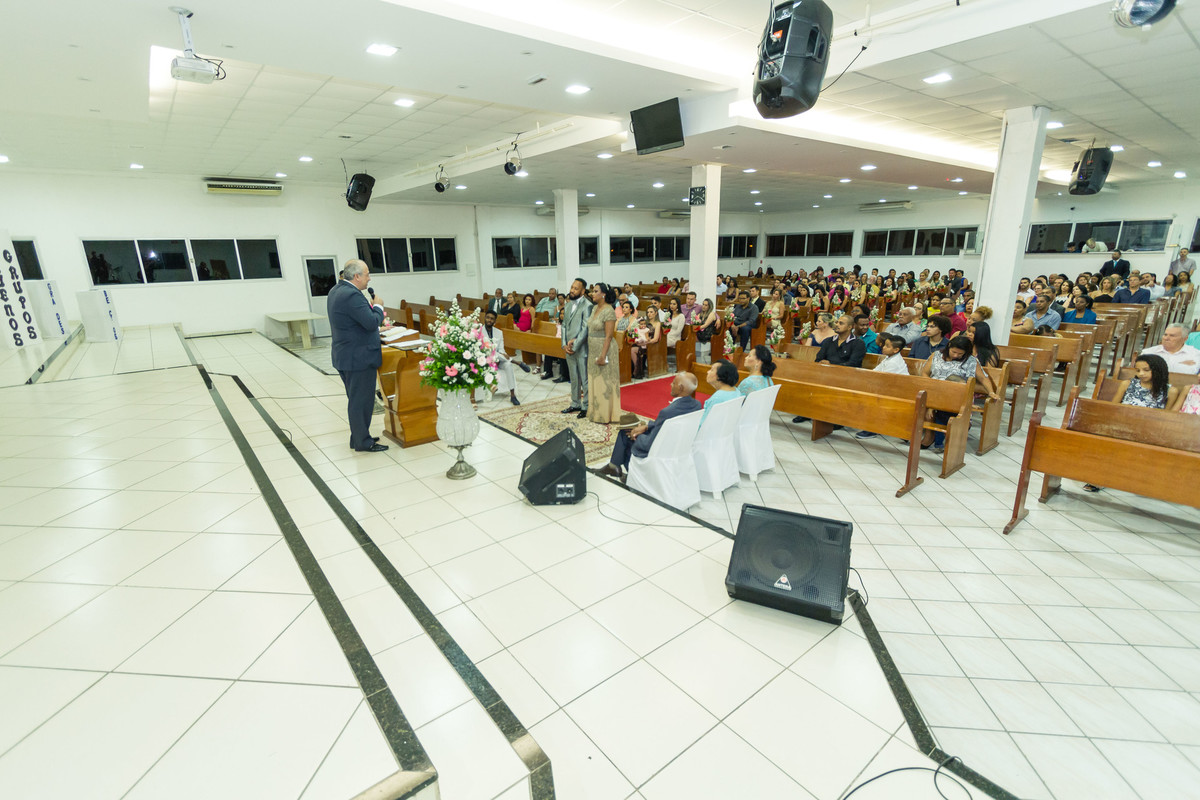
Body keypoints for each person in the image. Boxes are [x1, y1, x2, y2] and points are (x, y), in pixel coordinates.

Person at [594, 372, 702, 482]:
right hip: (677, 446)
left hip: (659, 450)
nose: (670, 384)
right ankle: (614, 466)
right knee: (633, 430)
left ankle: (627, 474)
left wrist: (634, 435)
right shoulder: (697, 405)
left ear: (680, 388)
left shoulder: (667, 412)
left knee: (625, 433)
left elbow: (648, 444)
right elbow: (666, 424)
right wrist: (646, 427)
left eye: (673, 383)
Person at [327, 259, 387, 453]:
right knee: (361, 401)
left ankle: (359, 437)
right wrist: (377, 306)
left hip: (346, 355)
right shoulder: (351, 295)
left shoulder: (336, 290)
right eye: (367, 274)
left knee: (356, 400)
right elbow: (371, 323)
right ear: (357, 276)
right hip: (358, 357)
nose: (369, 278)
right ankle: (362, 441)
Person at [919, 335, 999, 452]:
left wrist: (991, 392)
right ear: (949, 346)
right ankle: (929, 435)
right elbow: (925, 373)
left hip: (958, 394)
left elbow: (982, 378)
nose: (956, 355)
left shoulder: (971, 360)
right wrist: (931, 385)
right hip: (934, 390)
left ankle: (939, 438)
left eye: (960, 354)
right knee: (924, 403)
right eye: (954, 352)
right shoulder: (936, 355)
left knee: (941, 409)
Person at [854, 335, 910, 439]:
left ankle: (872, 429)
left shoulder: (895, 362)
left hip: (898, 392)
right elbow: (876, 371)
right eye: (884, 345)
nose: (883, 347)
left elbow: (883, 379)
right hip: (887, 388)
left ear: (896, 349)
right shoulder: (889, 358)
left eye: (887, 346)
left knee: (873, 399)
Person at [586, 283, 621, 423]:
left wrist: (603, 355)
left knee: (604, 382)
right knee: (594, 380)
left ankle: (606, 414)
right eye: (592, 291)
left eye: (595, 291)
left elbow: (609, 336)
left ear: (603, 294)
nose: (592, 293)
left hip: (605, 349)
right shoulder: (594, 308)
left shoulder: (609, 311)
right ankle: (595, 411)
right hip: (592, 348)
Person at [561, 277, 592, 416]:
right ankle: (575, 403)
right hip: (569, 348)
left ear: (583, 291)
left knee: (584, 379)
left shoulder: (587, 305)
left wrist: (575, 345)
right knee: (574, 378)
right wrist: (564, 344)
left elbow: (585, 328)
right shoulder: (568, 305)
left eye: (576, 288)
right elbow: (563, 325)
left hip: (581, 348)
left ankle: (586, 406)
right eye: (572, 287)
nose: (572, 290)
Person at [482, 311, 523, 405]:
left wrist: (502, 356)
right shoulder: (479, 331)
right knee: (491, 352)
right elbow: (482, 350)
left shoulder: (499, 333)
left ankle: (513, 395)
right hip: (485, 360)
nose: (489, 320)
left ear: (495, 321)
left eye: (492, 319)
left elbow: (501, 349)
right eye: (488, 317)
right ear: (485, 318)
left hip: (498, 360)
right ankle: (517, 362)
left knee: (508, 365)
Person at [701, 360, 741, 424]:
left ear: (720, 376)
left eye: (711, 370)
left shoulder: (717, 399)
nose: (707, 372)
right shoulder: (736, 390)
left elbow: (704, 424)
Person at [694, 299, 718, 365]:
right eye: (703, 304)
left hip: (708, 332)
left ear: (709, 306)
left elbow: (705, 325)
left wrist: (695, 329)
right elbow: (695, 322)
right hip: (701, 331)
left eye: (706, 305)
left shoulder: (712, 314)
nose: (704, 306)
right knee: (691, 333)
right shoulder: (700, 314)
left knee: (693, 334)